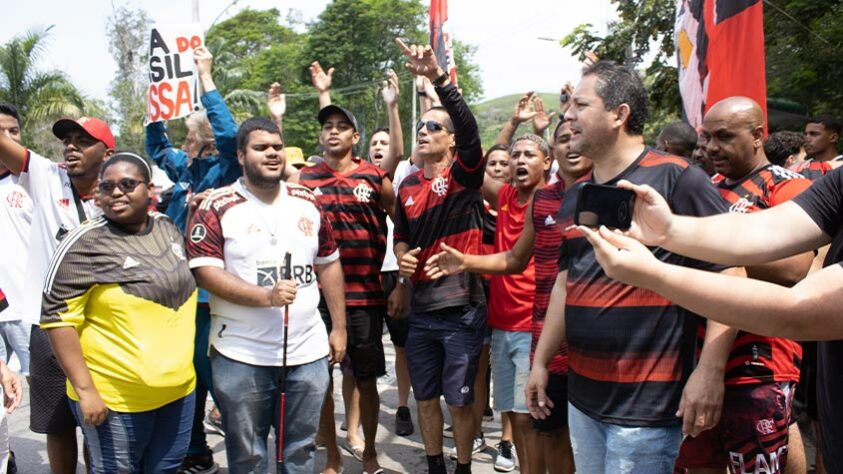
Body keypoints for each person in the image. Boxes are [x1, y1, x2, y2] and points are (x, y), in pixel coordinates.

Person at [525, 61, 738, 474]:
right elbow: (566, 284)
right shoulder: (577, 195)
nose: (567, 114)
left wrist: (710, 370)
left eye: (580, 105)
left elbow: (730, 273)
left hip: (647, 412)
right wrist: (540, 362)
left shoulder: (679, 180)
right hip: (584, 403)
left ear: (619, 114)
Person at [427, 118, 590, 474]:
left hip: (539, 329)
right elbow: (476, 163)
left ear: (547, 161)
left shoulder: (561, 199)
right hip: (502, 325)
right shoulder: (505, 197)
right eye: (514, 154)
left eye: (529, 154)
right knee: (516, 418)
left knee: (539, 421)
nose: (518, 161)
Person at [188, 117, 346, 474]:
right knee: (248, 454)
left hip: (307, 352)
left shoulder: (308, 200)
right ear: (241, 156)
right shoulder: (217, 205)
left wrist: (339, 327)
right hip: (241, 355)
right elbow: (205, 272)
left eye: (277, 147)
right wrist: (266, 297)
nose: (272, 154)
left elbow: (330, 264)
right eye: (261, 148)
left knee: (302, 449)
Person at [671, 97, 812, 474]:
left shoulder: (787, 186)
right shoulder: (704, 188)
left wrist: (701, 243)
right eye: (707, 137)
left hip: (761, 364)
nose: (712, 147)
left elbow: (793, 268)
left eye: (724, 136)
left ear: (757, 135)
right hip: (697, 359)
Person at [41, 152, 198, 473]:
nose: (116, 193)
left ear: (150, 190)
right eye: (107, 187)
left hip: (179, 392)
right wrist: (86, 392)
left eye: (128, 184)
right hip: (116, 401)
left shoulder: (167, 228)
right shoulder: (83, 243)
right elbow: (57, 320)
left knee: (167, 468)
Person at [289, 69, 401, 474]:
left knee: (366, 379)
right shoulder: (306, 179)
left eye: (343, 127)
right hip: (315, 300)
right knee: (320, 381)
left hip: (365, 297)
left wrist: (401, 280)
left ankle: (370, 449)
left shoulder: (375, 178)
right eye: (327, 127)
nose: (333, 132)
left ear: (356, 138)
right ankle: (332, 455)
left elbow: (401, 224)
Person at [0, 113, 115, 474]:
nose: (71, 147)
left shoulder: (120, 193)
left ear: (107, 153)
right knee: (57, 424)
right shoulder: (47, 176)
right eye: (67, 140)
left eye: (83, 141)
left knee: (100, 421)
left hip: (102, 328)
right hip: (48, 325)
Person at [392, 39, 486, 474]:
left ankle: (463, 466)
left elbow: (471, 130)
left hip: (462, 310)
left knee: (460, 401)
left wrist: (439, 80)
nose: (424, 133)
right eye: (421, 128)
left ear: (451, 142)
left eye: (434, 129)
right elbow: (402, 235)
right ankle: (434, 466)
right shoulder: (407, 187)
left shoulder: (466, 176)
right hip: (422, 311)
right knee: (424, 397)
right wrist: (403, 256)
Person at [145, 46, 238, 474]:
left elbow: (230, 135)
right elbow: (155, 144)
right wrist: (155, 105)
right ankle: (196, 450)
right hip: (174, 291)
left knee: (215, 376)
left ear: (203, 139)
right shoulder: (181, 171)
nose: (183, 143)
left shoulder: (224, 170)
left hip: (212, 293)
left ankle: (244, 444)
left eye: (190, 135)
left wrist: (205, 77)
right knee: (189, 376)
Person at [0, 103, 33, 381]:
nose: (7, 138)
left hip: (28, 311)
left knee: (46, 391)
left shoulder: (33, 183)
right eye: (0, 132)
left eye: (14, 131)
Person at [792, 115, 842, 180]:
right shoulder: (799, 167)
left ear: (833, 138)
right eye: (806, 134)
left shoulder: (840, 167)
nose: (807, 139)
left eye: (814, 134)